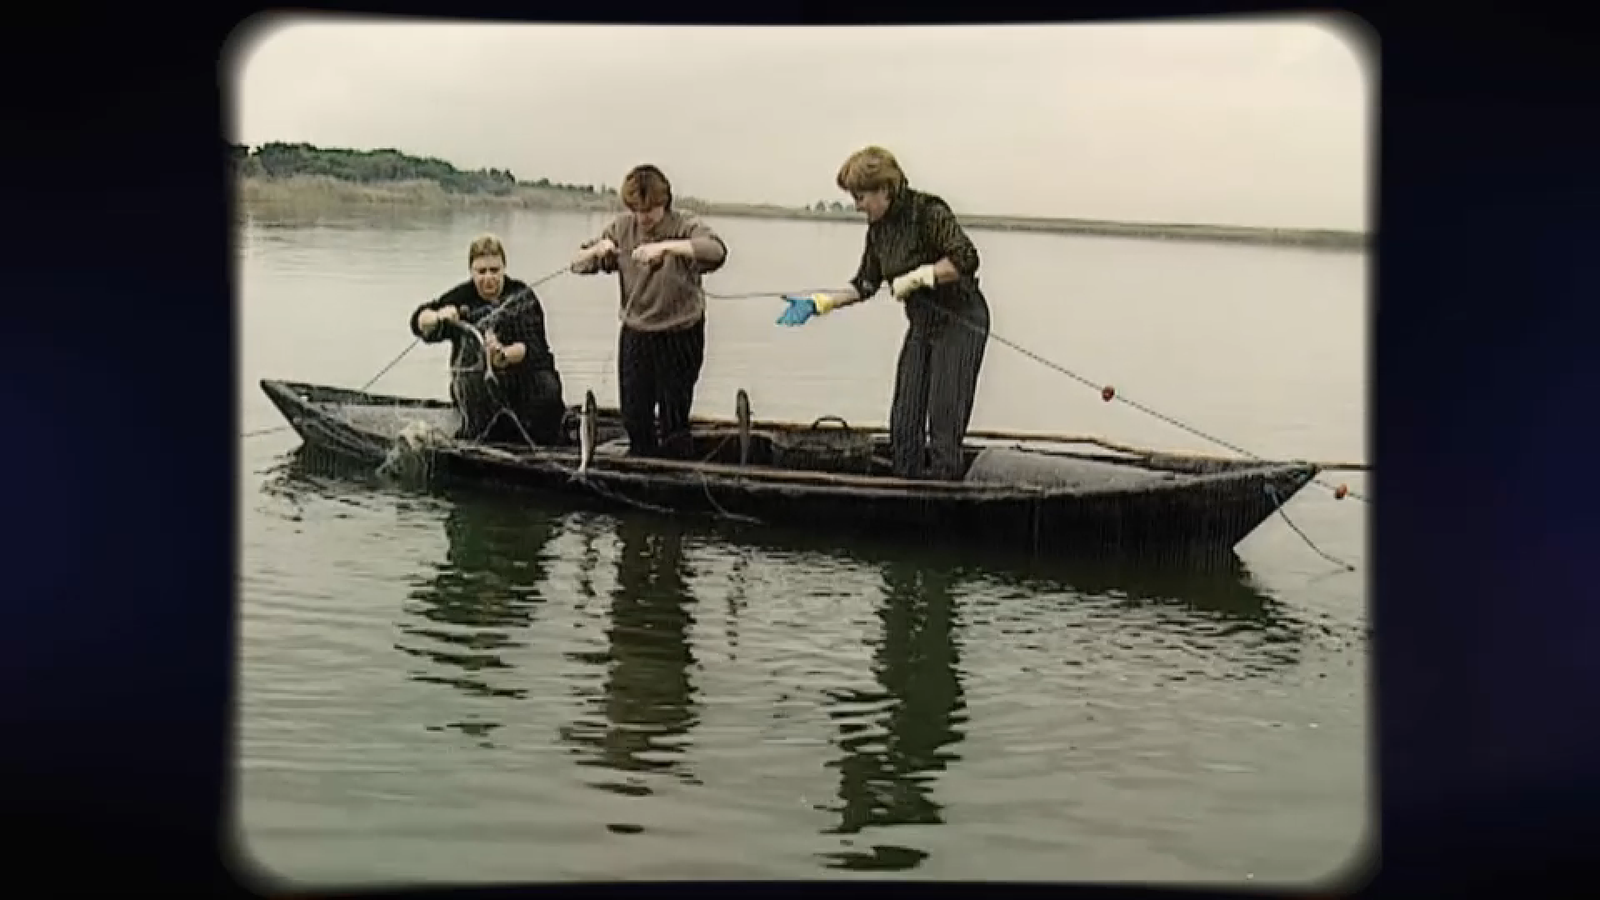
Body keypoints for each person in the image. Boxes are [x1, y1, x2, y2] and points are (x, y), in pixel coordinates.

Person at [775, 146, 991, 481]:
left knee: (944, 417)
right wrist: (819, 304)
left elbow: (966, 258)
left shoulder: (927, 212)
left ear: (885, 190)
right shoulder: (878, 231)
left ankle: (945, 486)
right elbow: (865, 284)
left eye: (861, 197)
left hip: (961, 320)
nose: (857, 205)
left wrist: (920, 276)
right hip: (922, 325)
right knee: (904, 420)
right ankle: (906, 485)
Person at [569, 164, 729, 458]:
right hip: (637, 334)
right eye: (637, 211)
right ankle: (641, 466)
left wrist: (666, 248)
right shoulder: (621, 228)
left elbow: (716, 251)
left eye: (650, 211)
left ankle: (676, 472)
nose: (644, 219)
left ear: (664, 203)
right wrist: (598, 250)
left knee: (673, 420)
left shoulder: (684, 225)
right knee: (634, 415)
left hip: (680, 334)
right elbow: (576, 264)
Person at [409, 233, 567, 446]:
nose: (488, 278)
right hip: (478, 387)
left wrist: (504, 355)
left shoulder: (521, 295)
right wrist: (436, 317)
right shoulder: (462, 296)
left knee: (547, 389)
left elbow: (532, 347)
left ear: (504, 268)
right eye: (481, 271)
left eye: (494, 270)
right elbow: (419, 322)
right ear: (471, 272)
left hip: (523, 378)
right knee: (477, 390)